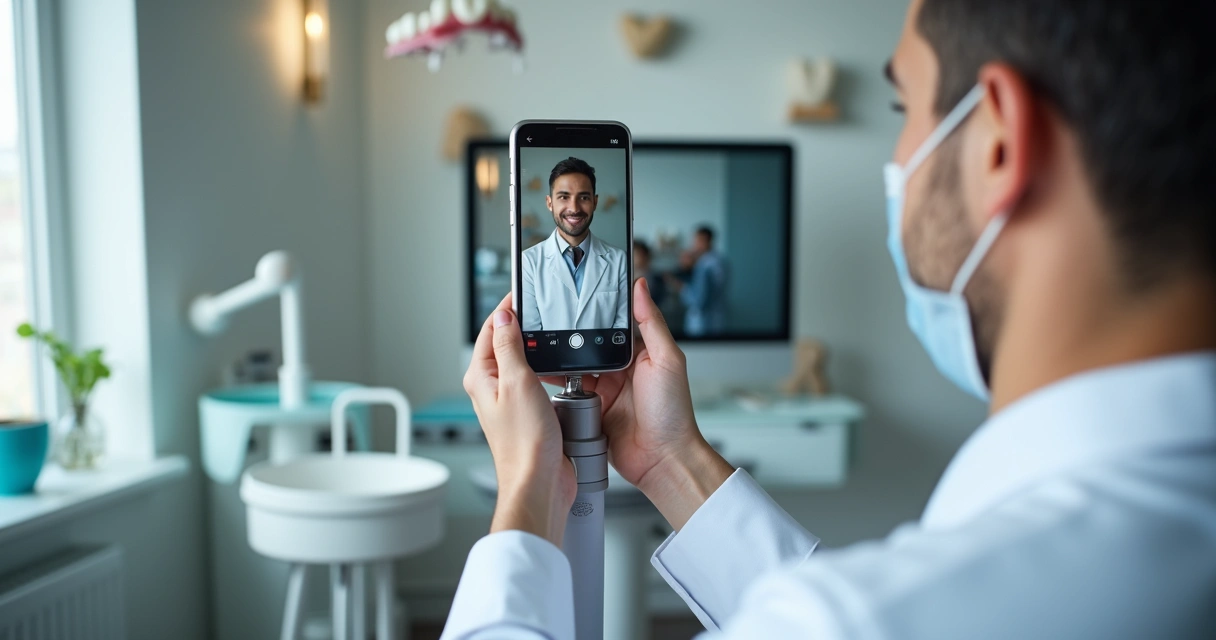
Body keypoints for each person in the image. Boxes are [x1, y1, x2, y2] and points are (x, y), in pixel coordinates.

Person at [446, 0, 1216, 637]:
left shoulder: (856, 618)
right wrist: (671, 460)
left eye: (902, 108)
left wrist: (527, 486)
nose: (899, 160)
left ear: (1000, 145)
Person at [520, 157, 629, 332]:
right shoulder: (528, 262)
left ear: (595, 202)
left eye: (583, 197)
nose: (574, 208)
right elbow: (530, 332)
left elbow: (623, 329)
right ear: (549, 203)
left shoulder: (619, 260)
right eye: (564, 197)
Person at [667, 226, 728, 336]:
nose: (694, 245)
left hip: (703, 323)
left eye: (697, 241)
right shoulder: (720, 261)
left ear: (705, 240)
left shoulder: (704, 265)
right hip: (717, 319)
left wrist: (681, 287)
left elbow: (699, 300)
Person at [631, 239, 666, 308]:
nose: (634, 258)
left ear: (646, 256)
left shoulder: (658, 279)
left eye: (637, 254)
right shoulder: (626, 277)